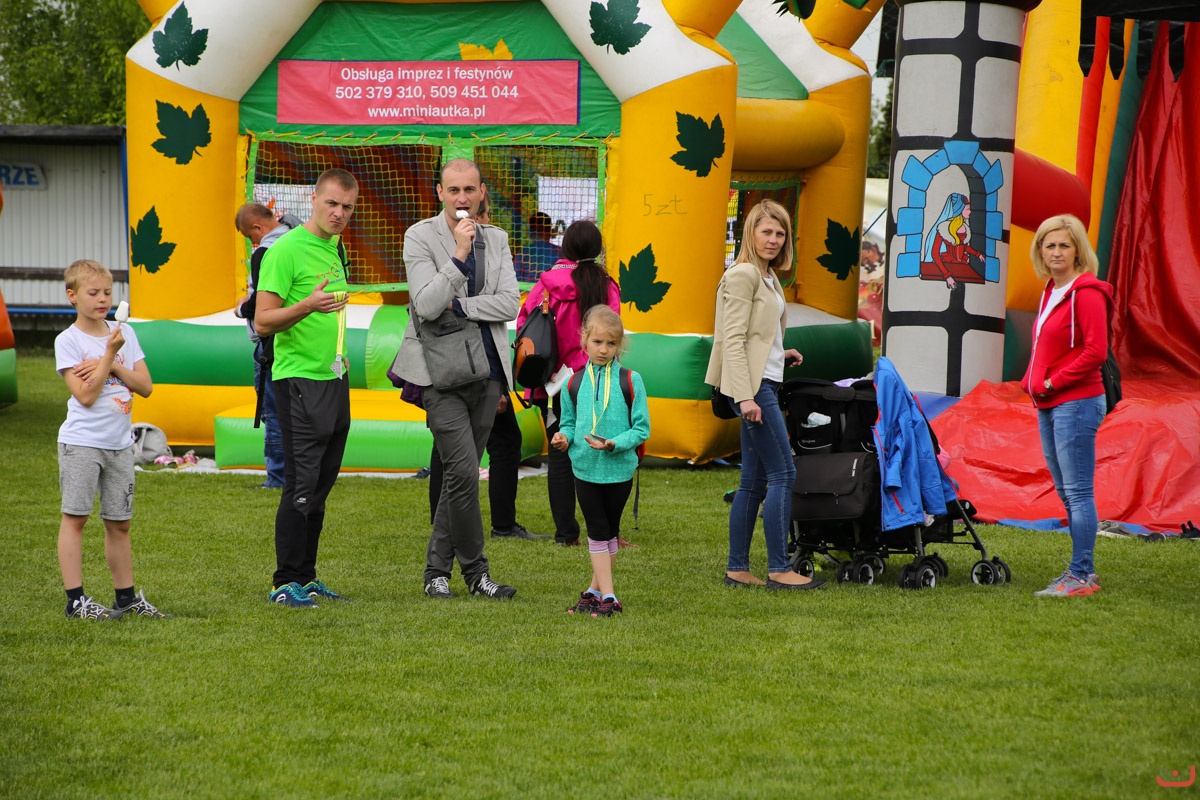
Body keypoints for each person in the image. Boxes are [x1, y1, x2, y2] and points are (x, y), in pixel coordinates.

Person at [392, 158, 522, 600]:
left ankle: (436, 573)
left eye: (470, 189)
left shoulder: (498, 238)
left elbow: (509, 303)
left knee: (458, 477)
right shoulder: (419, 236)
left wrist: (463, 306)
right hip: (439, 373)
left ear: (482, 192)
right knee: (464, 472)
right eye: (453, 190)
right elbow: (427, 304)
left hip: (488, 371)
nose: (462, 198)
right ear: (440, 193)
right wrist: (460, 255)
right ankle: (478, 574)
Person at [705, 200, 825, 591]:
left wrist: (779, 352)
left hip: (764, 381)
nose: (773, 240)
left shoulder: (768, 276)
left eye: (780, 233)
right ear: (750, 234)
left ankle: (737, 570)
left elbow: (756, 336)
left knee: (753, 483)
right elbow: (732, 339)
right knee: (784, 473)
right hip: (754, 389)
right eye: (766, 232)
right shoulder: (743, 274)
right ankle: (779, 569)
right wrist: (745, 397)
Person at [254, 168, 357, 608]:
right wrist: (308, 305)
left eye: (347, 207)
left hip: (334, 378)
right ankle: (284, 582)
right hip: (298, 380)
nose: (338, 213)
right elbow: (262, 321)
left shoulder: (337, 248)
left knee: (320, 485)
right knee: (300, 484)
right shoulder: (286, 250)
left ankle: (307, 577)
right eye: (331, 203)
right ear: (313, 199)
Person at [427, 192, 546, 541]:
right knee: (502, 442)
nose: (487, 223)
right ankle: (500, 524)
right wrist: (495, 381)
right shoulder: (463, 253)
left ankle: (443, 520)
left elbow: (507, 304)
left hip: (450, 363)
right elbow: (435, 305)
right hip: (471, 365)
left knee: (448, 444)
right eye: (485, 215)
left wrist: (460, 306)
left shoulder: (468, 249)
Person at [54, 259, 167, 619]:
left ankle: (126, 599)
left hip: (120, 445)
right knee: (76, 518)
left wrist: (114, 360)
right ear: (72, 296)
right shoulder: (68, 341)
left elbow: (145, 386)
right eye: (93, 293)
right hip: (82, 443)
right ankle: (76, 601)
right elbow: (85, 396)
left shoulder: (124, 333)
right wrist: (107, 354)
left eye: (107, 292)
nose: (103, 299)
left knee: (120, 523)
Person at [1021, 214, 1113, 598]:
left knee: (1077, 492)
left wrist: (1051, 382)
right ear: (1040, 250)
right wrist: (1035, 383)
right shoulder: (1051, 290)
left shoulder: (1087, 293)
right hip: (1050, 403)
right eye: (1050, 245)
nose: (1056, 252)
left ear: (1078, 251)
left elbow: (1096, 351)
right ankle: (1082, 571)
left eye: (1064, 245)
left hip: (1075, 401)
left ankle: (1080, 574)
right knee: (1066, 490)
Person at [516, 219, 622, 546]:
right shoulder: (606, 286)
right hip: (594, 381)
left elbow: (524, 326)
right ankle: (606, 532)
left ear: (565, 247)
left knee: (560, 456)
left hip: (551, 385)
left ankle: (566, 533)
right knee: (602, 452)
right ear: (597, 249)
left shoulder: (548, 283)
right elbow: (614, 332)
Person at [552, 306, 649, 617]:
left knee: (609, 530)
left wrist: (614, 444)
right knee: (596, 529)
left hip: (619, 469)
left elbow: (642, 428)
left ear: (619, 345)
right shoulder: (572, 383)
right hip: (584, 469)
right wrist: (563, 437)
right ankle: (609, 597)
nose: (604, 349)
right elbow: (568, 423)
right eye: (597, 342)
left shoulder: (631, 380)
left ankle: (594, 592)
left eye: (611, 343)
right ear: (584, 340)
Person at [234, 202, 301, 490]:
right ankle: (298, 475)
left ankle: (277, 477)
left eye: (250, 236)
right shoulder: (298, 237)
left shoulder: (266, 252)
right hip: (298, 338)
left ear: (257, 227)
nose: (253, 242)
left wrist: (241, 309)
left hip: (272, 343)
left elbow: (264, 302)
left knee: (273, 411)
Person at [920, 193, 983, 289]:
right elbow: (935, 254)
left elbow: (963, 246)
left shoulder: (965, 227)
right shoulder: (944, 228)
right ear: (959, 210)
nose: (970, 211)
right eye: (967, 209)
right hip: (948, 265)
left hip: (961, 265)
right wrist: (947, 275)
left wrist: (977, 254)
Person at [514, 211, 561, 282]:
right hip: (551, 288)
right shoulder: (560, 252)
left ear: (530, 232)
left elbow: (516, 278)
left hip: (529, 288)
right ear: (550, 231)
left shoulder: (523, 252)